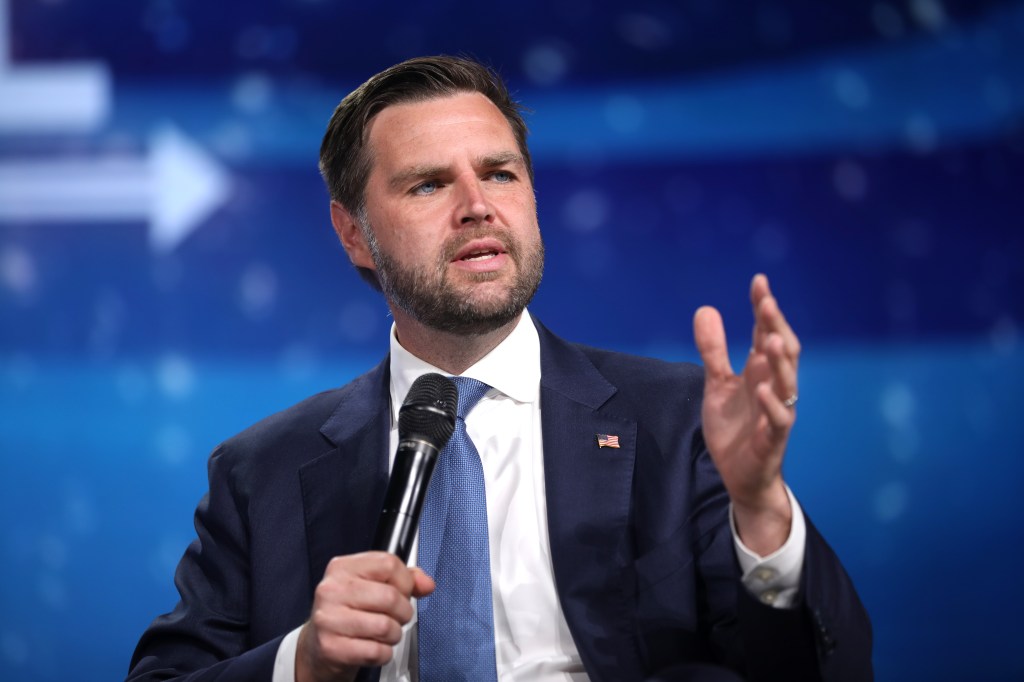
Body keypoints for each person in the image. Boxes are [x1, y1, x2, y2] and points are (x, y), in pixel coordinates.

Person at [127, 56, 872, 682]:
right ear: (353, 232)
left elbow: (823, 668)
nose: (478, 206)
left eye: (501, 174)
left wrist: (764, 511)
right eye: (428, 184)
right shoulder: (262, 470)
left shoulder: (676, 420)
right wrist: (303, 659)